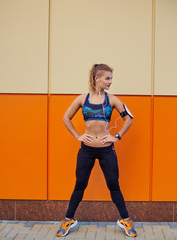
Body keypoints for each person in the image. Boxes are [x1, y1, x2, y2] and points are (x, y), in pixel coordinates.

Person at [56, 63, 137, 238]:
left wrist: (117, 136)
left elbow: (129, 119)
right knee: (80, 185)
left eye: (111, 78)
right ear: (96, 78)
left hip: (107, 151)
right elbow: (66, 118)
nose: (110, 82)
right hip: (86, 150)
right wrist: (78, 136)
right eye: (107, 78)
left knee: (114, 185)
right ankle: (68, 219)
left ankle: (126, 220)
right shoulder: (82, 99)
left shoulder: (113, 100)